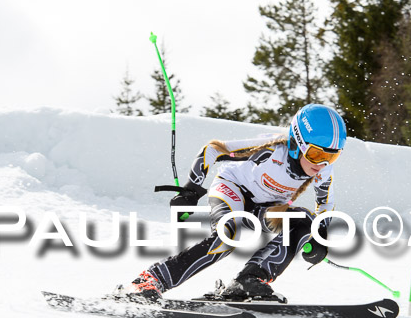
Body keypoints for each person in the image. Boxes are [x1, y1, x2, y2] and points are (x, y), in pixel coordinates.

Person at [127, 103, 347, 302]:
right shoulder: (269, 151)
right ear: (297, 143)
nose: (323, 163)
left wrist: (319, 237)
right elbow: (212, 150)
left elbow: (325, 206)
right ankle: (150, 280)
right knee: (227, 236)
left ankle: (248, 280)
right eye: (317, 154)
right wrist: (191, 191)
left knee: (305, 222)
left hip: (265, 207)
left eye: (333, 156)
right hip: (232, 189)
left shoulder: (323, 170)